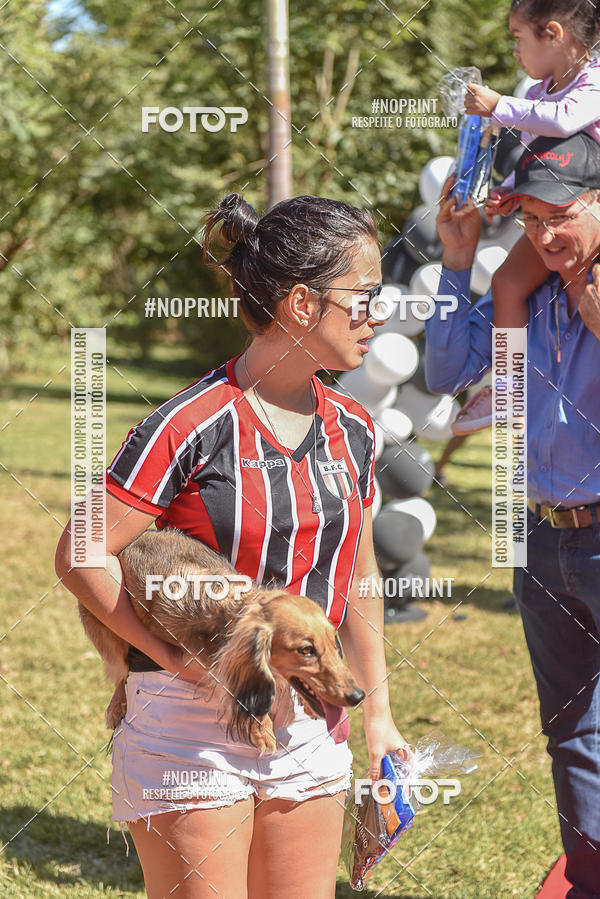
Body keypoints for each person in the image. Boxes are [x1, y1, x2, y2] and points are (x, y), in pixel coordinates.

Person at [54, 192, 409, 899]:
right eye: (364, 298)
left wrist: (378, 717)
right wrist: (184, 666)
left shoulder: (354, 427)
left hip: (311, 719)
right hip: (188, 726)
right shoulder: (189, 421)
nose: (380, 314)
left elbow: (359, 575)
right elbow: (80, 553)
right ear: (303, 305)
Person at [425, 132, 600, 898]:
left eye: (561, 214)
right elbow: (444, 370)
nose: (547, 235)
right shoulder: (527, 289)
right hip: (543, 538)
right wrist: (458, 261)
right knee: (573, 731)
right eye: (531, 222)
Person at [452, 0, 600, 434]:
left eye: (519, 39)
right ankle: (508, 386)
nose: (515, 51)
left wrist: (500, 105)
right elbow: (537, 162)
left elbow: (563, 120)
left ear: (553, 33)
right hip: (567, 225)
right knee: (506, 283)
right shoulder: (536, 96)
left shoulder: (594, 82)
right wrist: (510, 192)